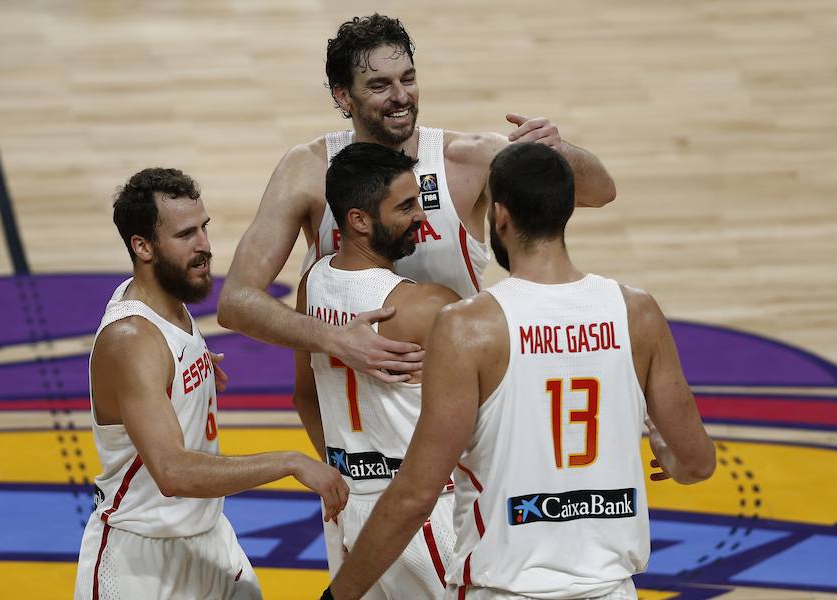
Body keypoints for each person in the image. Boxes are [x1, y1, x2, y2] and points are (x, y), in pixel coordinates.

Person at [322, 143, 717, 600]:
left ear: (502, 217)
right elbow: (696, 463)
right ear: (564, 210)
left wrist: (339, 595)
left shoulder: (468, 327)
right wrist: (667, 450)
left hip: (505, 589)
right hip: (609, 589)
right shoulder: (638, 313)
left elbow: (415, 495)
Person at [217, 13, 617, 383]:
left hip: (458, 399)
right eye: (379, 85)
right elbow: (236, 301)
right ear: (343, 96)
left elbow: (600, 192)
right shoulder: (307, 169)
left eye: (407, 79)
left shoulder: (467, 159)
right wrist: (335, 338)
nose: (400, 96)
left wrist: (560, 150)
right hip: (359, 427)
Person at [72, 168, 348, 600]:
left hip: (210, 540)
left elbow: (163, 365)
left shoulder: (168, 305)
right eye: (185, 235)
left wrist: (190, 373)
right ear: (142, 246)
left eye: (203, 228)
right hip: (143, 565)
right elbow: (173, 472)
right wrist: (291, 462)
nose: (204, 246)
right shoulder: (131, 340)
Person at [294, 143, 461, 598]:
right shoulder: (427, 305)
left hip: (351, 509)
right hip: (425, 514)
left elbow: (304, 398)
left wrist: (345, 470)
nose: (422, 218)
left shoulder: (313, 283)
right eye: (405, 206)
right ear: (359, 220)